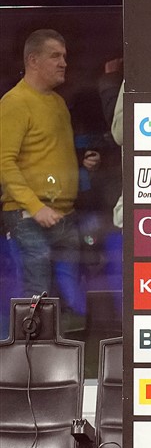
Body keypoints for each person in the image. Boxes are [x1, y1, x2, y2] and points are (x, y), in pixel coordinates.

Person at [0, 29, 83, 315]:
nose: (63, 63)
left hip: (64, 214)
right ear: (33, 60)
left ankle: (66, 340)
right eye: (55, 56)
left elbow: (52, 153)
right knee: (37, 292)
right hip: (28, 215)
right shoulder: (14, 102)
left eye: (64, 56)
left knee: (68, 293)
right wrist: (35, 207)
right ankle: (31, 341)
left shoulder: (58, 103)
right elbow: (4, 162)